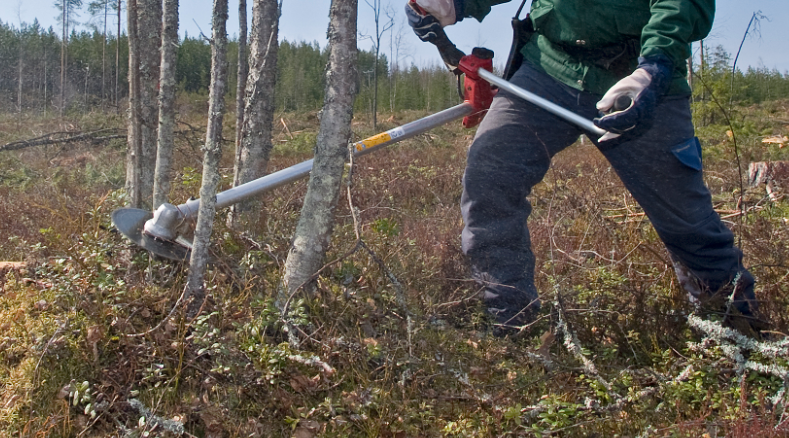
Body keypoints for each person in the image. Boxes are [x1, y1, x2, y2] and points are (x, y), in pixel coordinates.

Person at [405, 0, 767, 336]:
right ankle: (510, 324)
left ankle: (737, 331)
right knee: (490, 178)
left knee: (686, 219)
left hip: (639, 75)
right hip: (549, 68)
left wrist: (655, 64)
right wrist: (456, 2)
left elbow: (681, 4)